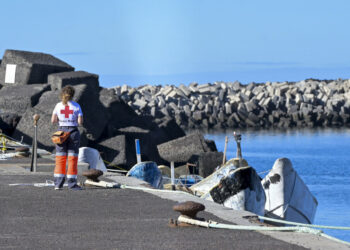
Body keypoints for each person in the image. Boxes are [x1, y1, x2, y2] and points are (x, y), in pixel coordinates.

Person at [51, 85, 83, 190]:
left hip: (61, 133)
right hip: (73, 132)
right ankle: (72, 184)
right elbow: (80, 122)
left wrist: (62, 120)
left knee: (60, 158)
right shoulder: (77, 106)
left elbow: (53, 120)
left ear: (62, 94)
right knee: (72, 159)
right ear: (73, 95)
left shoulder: (58, 105)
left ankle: (58, 184)